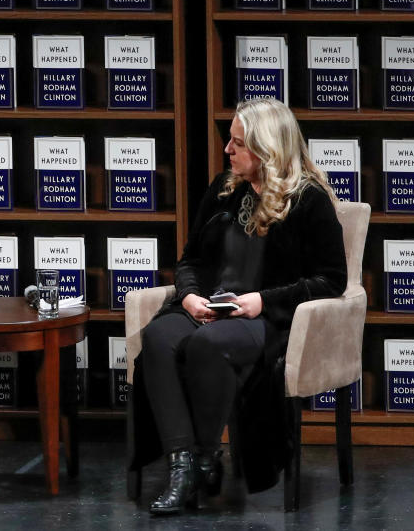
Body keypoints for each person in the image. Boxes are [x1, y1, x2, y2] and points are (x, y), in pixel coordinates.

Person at [136, 97, 347, 515]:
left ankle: (204, 456)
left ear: (268, 148)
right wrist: (190, 294)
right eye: (229, 141)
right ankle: (184, 464)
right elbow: (190, 260)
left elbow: (332, 280)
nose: (227, 151)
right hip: (207, 307)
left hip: (262, 317)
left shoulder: (309, 200)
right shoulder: (222, 190)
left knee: (207, 345)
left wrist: (260, 301)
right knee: (158, 336)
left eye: (238, 143)